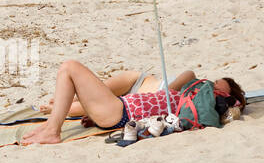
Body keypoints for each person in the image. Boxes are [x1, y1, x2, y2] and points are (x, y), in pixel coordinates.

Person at [21, 60, 245, 145]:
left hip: (120, 112)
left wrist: (229, 100)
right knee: (70, 73)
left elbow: (229, 109)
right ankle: (52, 123)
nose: (212, 84)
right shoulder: (187, 96)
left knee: (69, 67)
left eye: (219, 85)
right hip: (120, 109)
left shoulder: (193, 101)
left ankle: (52, 130)